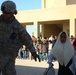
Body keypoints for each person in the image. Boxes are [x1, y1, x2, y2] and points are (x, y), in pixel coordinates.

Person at [0, 1, 40, 75]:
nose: (4, 15)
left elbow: (27, 39)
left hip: (9, 59)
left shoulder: (17, 27)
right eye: (3, 12)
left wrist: (33, 52)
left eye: (7, 13)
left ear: (13, 13)